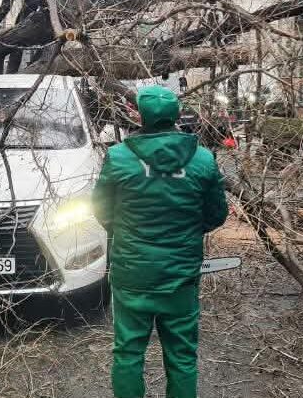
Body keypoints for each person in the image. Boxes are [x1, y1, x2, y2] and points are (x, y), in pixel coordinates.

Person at [92, 85, 228, 398]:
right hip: (179, 278)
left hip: (132, 275)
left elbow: (101, 210)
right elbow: (217, 215)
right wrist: (189, 230)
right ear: (177, 115)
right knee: (182, 356)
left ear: (139, 115)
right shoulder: (203, 160)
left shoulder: (118, 157)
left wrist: (125, 230)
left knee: (127, 353)